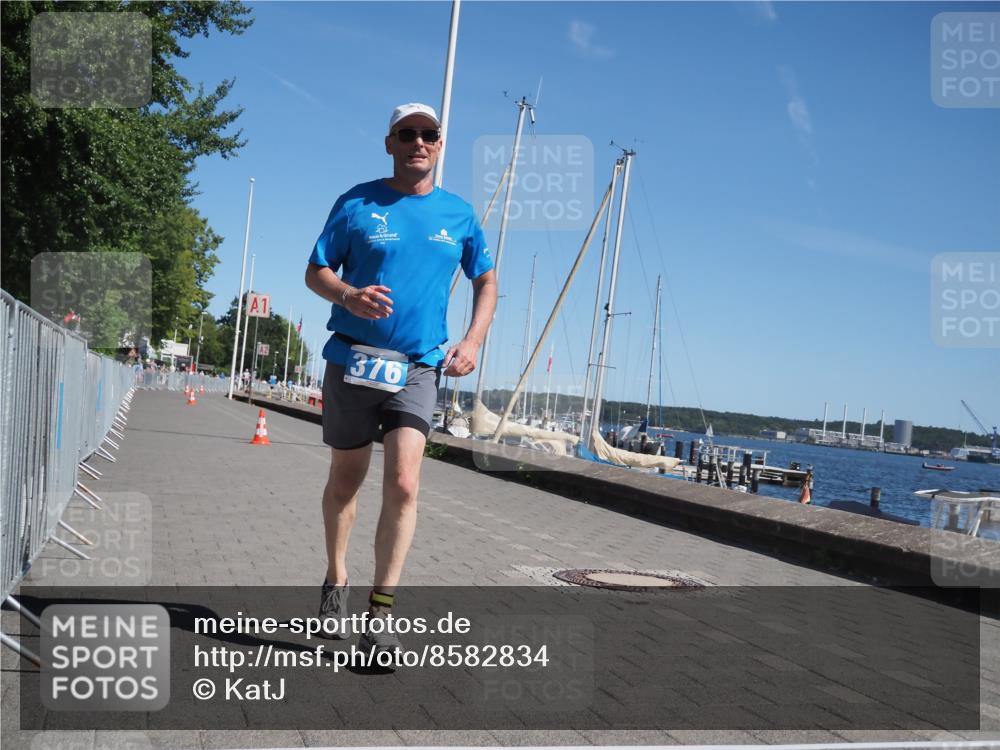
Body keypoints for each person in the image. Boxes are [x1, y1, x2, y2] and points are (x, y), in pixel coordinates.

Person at [304, 103, 497, 661]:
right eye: (407, 134)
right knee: (346, 479)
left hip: (417, 365)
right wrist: (347, 295)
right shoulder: (357, 203)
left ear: (440, 145)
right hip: (353, 359)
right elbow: (315, 269)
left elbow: (486, 281)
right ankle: (336, 580)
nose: (419, 142)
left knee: (406, 483)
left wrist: (473, 340)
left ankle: (380, 613)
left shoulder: (458, 215)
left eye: (429, 134)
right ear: (389, 143)